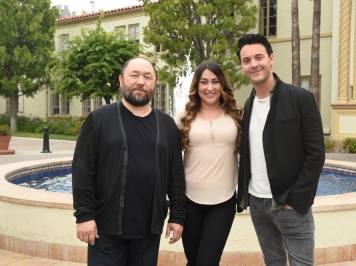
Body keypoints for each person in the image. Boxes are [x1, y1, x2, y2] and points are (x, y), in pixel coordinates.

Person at [72, 57, 185, 266]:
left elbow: (175, 174)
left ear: (154, 83)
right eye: (134, 75)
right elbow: (82, 170)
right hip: (105, 228)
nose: (141, 81)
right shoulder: (99, 120)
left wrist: (177, 217)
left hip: (148, 231)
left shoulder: (167, 125)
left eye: (147, 76)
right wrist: (84, 216)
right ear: (121, 80)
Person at [236, 33, 325, 266]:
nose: (254, 64)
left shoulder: (300, 98)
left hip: (289, 204)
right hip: (257, 202)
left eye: (259, 57)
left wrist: (296, 199)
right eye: (247, 60)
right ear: (242, 65)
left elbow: (315, 154)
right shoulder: (249, 103)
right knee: (273, 261)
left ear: (271, 58)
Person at [176, 61, 242, 266]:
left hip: (224, 201)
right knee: (194, 260)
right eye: (204, 82)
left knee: (207, 261)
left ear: (222, 85)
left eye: (215, 81)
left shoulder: (236, 115)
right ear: (196, 86)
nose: (210, 87)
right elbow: (168, 158)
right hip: (189, 201)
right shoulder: (183, 118)